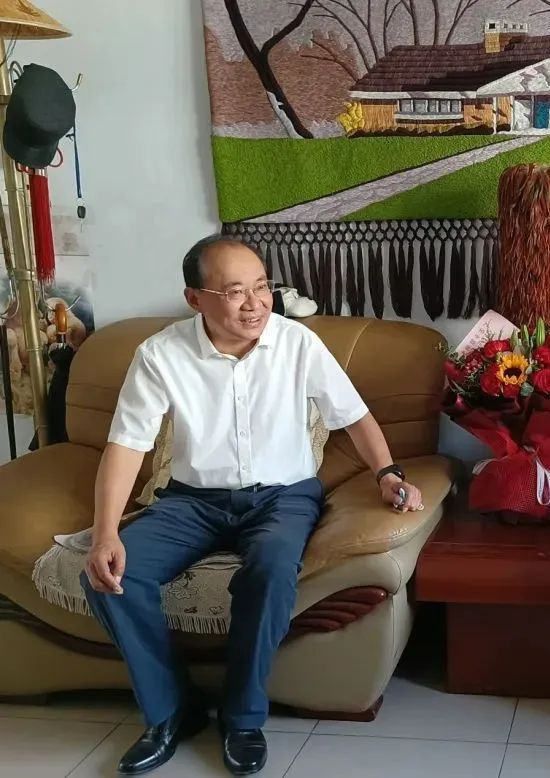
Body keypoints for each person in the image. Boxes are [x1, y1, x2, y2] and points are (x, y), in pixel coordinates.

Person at [80, 235, 424, 776]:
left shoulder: (297, 343)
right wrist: (105, 534)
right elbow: (126, 446)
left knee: (270, 569)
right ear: (195, 299)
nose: (255, 303)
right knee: (111, 573)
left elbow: (353, 415)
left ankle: (241, 718)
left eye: (262, 287)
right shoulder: (160, 355)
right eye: (235, 291)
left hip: (283, 498)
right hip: (191, 502)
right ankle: (172, 711)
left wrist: (386, 474)